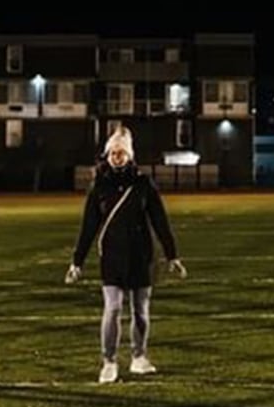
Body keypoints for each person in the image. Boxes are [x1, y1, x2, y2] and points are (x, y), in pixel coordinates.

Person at [64, 125, 187, 383]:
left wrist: (172, 255)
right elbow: (88, 226)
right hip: (112, 257)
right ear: (107, 154)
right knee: (112, 309)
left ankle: (139, 358)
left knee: (141, 310)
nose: (117, 157)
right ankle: (109, 362)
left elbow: (160, 221)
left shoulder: (143, 183)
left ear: (130, 155)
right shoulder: (99, 186)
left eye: (122, 153)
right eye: (113, 152)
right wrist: (77, 261)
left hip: (142, 256)